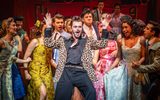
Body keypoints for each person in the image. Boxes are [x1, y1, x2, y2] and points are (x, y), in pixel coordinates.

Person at [44, 14, 108, 100]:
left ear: (82, 28)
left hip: (81, 71)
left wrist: (104, 28)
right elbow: (48, 44)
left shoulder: (87, 40)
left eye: (79, 27)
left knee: (91, 92)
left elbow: (102, 44)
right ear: (71, 27)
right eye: (75, 27)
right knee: (60, 96)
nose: (77, 29)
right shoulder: (64, 40)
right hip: (66, 72)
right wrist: (48, 27)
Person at [0, 17, 31, 100]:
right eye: (13, 25)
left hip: (10, 71)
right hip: (3, 73)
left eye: (16, 26)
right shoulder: (1, 42)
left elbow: (13, 58)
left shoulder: (14, 41)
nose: (16, 27)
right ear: (7, 28)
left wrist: (26, 60)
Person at [23, 20, 54, 100]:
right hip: (35, 70)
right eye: (46, 29)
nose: (48, 31)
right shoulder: (35, 41)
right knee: (42, 92)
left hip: (46, 70)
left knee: (48, 94)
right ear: (41, 30)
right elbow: (25, 57)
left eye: (49, 29)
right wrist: (26, 73)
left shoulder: (50, 42)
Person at [118, 16, 145, 100]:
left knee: (137, 94)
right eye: (122, 28)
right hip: (125, 71)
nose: (124, 30)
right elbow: (118, 58)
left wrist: (139, 63)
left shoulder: (141, 39)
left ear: (132, 27)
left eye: (126, 27)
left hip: (137, 70)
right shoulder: (120, 40)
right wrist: (109, 70)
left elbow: (144, 57)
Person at [132, 21, 160, 100]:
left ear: (153, 32)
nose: (144, 30)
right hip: (148, 76)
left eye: (147, 29)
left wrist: (139, 68)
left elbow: (156, 66)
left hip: (156, 78)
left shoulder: (158, 46)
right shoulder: (147, 42)